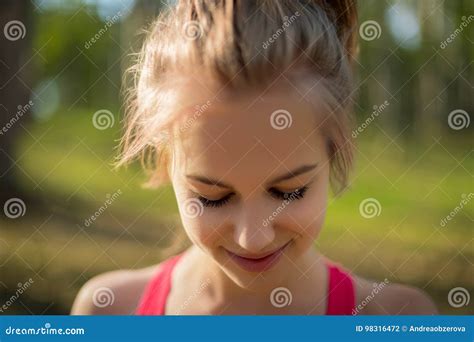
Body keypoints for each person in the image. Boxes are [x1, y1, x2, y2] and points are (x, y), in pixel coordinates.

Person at [71, 0, 437, 315]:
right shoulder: (108, 312)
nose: (253, 239)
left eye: (289, 192)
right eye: (212, 197)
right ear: (166, 161)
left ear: (335, 151)